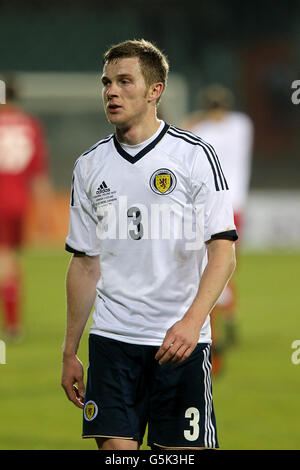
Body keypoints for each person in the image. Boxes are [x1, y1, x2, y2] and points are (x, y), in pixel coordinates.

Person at [61, 40, 238, 450]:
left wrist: (193, 322)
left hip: (179, 343)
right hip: (112, 342)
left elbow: (223, 253)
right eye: (107, 82)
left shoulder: (195, 157)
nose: (111, 91)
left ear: (154, 91)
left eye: (125, 81)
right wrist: (70, 350)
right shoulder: (89, 166)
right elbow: (85, 265)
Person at [182, 84, 254, 375]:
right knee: (227, 265)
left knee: (207, 267)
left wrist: (200, 117)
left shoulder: (200, 132)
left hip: (211, 204)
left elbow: (184, 130)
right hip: (237, 204)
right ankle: (230, 315)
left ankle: (213, 335)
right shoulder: (242, 125)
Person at [0, 75, 51, 340]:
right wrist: (44, 215)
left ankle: (12, 325)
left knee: (4, 261)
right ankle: (13, 323)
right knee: (8, 259)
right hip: (17, 202)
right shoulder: (30, 126)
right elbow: (39, 176)